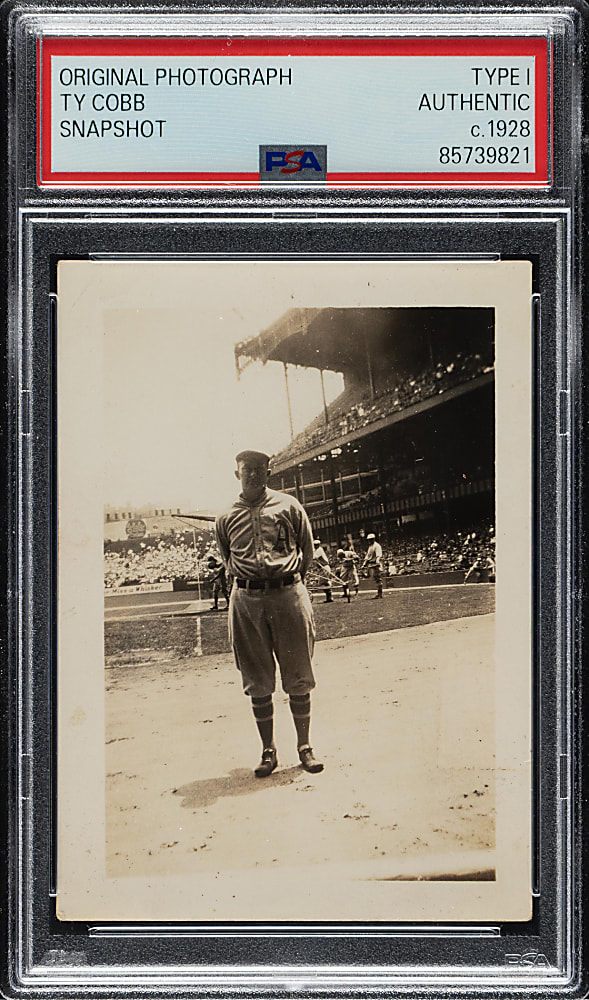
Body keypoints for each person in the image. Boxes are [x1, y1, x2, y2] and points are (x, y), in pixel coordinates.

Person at [215, 449, 323, 778]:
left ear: (268, 471)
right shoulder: (226, 516)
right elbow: (226, 557)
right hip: (246, 598)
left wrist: (288, 580)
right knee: (257, 679)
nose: (252, 474)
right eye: (246, 469)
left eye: (259, 468)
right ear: (237, 473)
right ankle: (268, 751)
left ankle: (304, 747)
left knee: (298, 672)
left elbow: (306, 549)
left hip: (288, 593)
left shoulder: (289, 505)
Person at [362, 532, 383, 599]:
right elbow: (368, 556)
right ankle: (379, 594)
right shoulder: (370, 546)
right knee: (374, 577)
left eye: (371, 539)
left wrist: (377, 561)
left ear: (373, 539)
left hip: (375, 564)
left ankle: (380, 594)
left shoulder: (377, 546)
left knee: (377, 578)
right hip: (371, 564)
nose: (369, 541)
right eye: (369, 539)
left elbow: (378, 555)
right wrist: (364, 564)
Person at [312, 538, 333, 603]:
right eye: (314, 545)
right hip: (322, 568)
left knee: (321, 583)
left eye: (316, 545)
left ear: (319, 545)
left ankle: (329, 592)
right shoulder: (316, 550)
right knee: (323, 583)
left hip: (324, 567)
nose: (315, 546)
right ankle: (329, 597)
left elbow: (314, 557)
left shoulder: (319, 550)